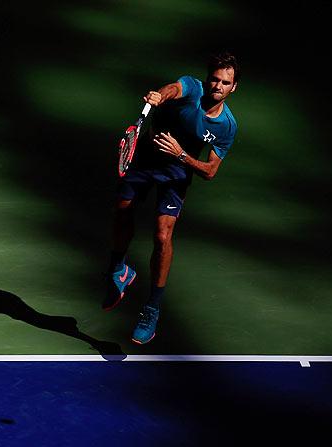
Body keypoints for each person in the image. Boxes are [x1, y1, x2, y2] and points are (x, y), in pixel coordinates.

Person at [103, 52, 240, 345]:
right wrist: (159, 96)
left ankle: (151, 309)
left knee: (163, 236)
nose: (217, 85)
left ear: (233, 88)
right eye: (214, 79)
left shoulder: (226, 126)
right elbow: (173, 89)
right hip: (145, 161)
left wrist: (180, 155)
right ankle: (120, 269)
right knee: (122, 210)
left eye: (225, 82)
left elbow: (210, 171)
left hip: (176, 175)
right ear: (208, 79)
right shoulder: (193, 87)